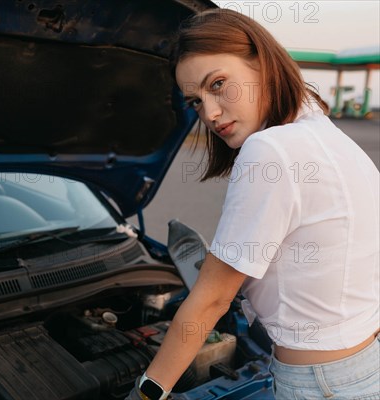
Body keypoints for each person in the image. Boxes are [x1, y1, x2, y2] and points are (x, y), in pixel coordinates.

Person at [126, 8, 379, 400]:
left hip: (321, 384)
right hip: (361, 366)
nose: (209, 113)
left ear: (261, 63)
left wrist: (147, 391)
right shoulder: (328, 137)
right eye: (195, 101)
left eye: (219, 83)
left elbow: (212, 299)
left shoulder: (270, 149)